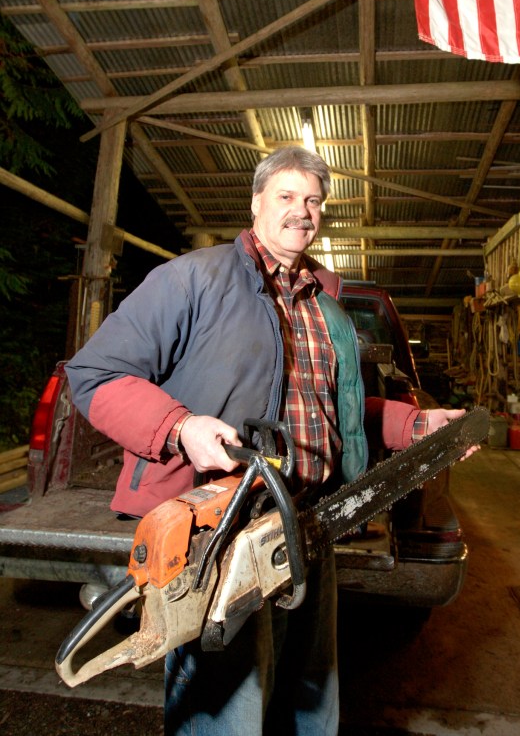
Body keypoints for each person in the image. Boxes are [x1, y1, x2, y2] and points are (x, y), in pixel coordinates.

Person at [66, 146, 474, 736]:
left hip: (313, 523)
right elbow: (93, 375)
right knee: (226, 705)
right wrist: (181, 426)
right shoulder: (192, 279)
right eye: (286, 196)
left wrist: (416, 426)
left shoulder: (327, 307)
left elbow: (340, 410)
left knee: (309, 699)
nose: (301, 211)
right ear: (256, 202)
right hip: (221, 532)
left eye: (312, 200)